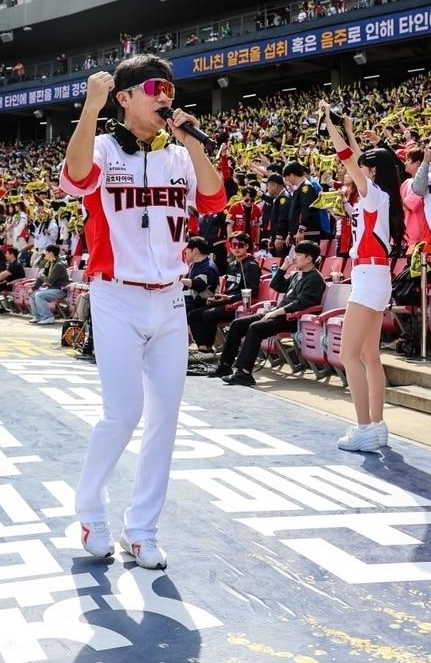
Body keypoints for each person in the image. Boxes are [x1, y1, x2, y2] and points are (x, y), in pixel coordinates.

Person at [60, 55, 225, 570]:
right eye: (154, 88)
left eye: (170, 90)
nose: (165, 97)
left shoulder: (179, 156)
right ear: (125, 97)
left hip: (170, 298)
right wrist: (90, 108)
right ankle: (91, 511)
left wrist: (192, 139)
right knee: (124, 412)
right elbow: (75, 175)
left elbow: (215, 198)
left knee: (165, 420)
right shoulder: (105, 148)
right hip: (116, 295)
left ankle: (143, 528)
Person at [319, 102, 405, 452]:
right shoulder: (381, 196)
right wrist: (350, 129)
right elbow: (353, 157)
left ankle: (364, 425)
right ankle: (377, 425)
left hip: (369, 275)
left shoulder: (373, 195)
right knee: (369, 355)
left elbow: (345, 158)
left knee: (348, 354)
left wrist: (331, 124)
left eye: (364, 167)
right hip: (375, 274)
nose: (357, 171)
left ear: (371, 171)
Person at [213, 241, 326, 383]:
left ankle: (244, 373)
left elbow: (302, 303)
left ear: (309, 258)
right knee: (237, 324)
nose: (294, 258)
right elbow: (276, 285)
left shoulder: (315, 278)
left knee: (256, 328)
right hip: (278, 314)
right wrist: (284, 267)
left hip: (292, 319)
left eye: (297, 255)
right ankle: (225, 365)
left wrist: (277, 312)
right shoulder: (298, 274)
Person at [188, 234, 260, 354]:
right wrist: (217, 297)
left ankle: (207, 348)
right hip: (225, 302)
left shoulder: (251, 265)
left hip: (238, 305)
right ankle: (203, 347)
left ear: (247, 246)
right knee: (193, 314)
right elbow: (228, 289)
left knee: (208, 314)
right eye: (233, 245)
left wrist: (229, 298)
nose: (236, 248)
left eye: (240, 245)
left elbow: (252, 293)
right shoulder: (232, 265)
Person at [30, 244, 71, 325]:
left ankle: (48, 317)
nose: (45, 254)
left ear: (51, 253)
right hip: (52, 289)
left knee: (39, 295)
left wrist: (41, 275)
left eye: (46, 252)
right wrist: (34, 288)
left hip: (60, 290)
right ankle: (37, 316)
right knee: (34, 294)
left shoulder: (59, 265)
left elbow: (49, 281)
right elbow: (41, 278)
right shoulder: (49, 263)